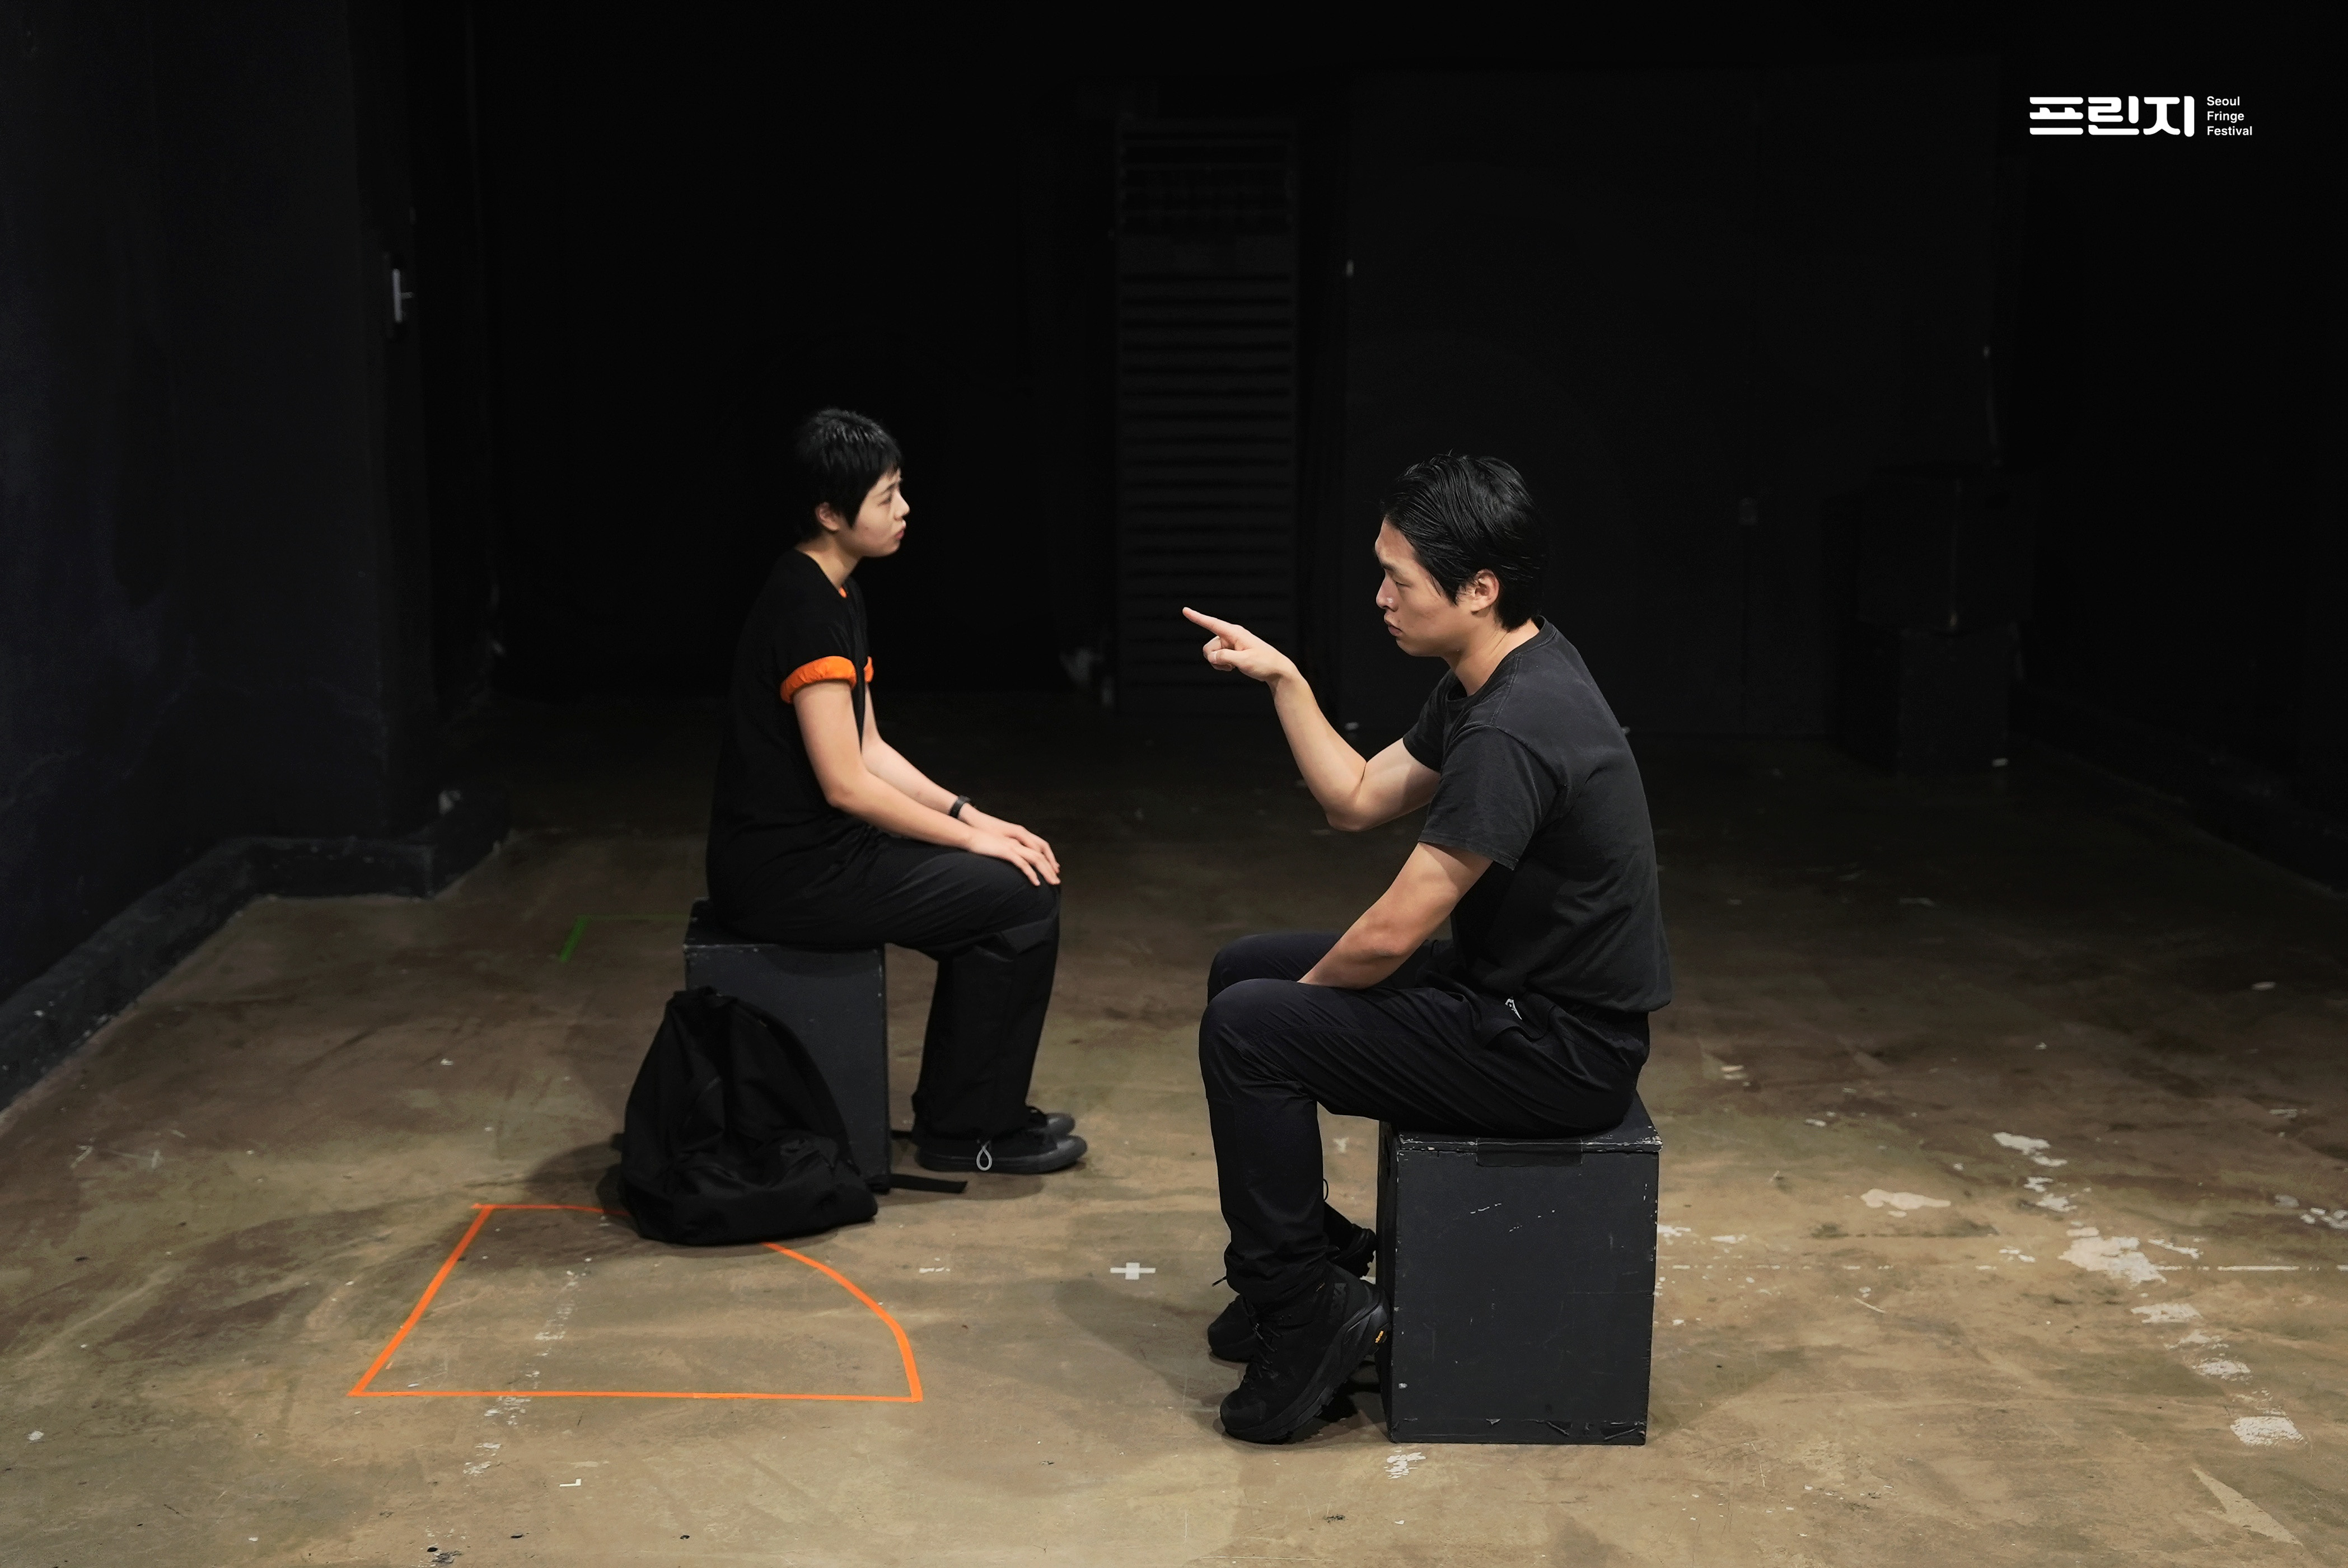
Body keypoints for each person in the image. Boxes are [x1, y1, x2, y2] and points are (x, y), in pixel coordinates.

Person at [1180, 453, 1671, 1444]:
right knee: (1245, 972)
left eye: (1398, 578)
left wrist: (1300, 1017)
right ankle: (1311, 1254)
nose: (1380, 596)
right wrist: (1285, 680)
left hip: (1561, 1049)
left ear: (1478, 589)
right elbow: (1356, 797)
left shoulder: (1514, 727)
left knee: (1250, 1026)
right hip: (1510, 994)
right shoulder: (1495, 674)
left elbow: (1393, 931)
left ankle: (1303, 1305)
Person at [705, 408, 1085, 1176]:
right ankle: (970, 1129)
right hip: (790, 873)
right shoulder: (804, 609)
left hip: (822, 853)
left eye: (900, 489)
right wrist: (974, 842)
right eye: (886, 497)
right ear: (829, 513)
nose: (905, 509)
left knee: (1009, 887)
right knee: (1018, 900)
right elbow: (846, 784)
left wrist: (973, 814)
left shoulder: (835, 592)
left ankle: (964, 1113)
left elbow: (871, 748)